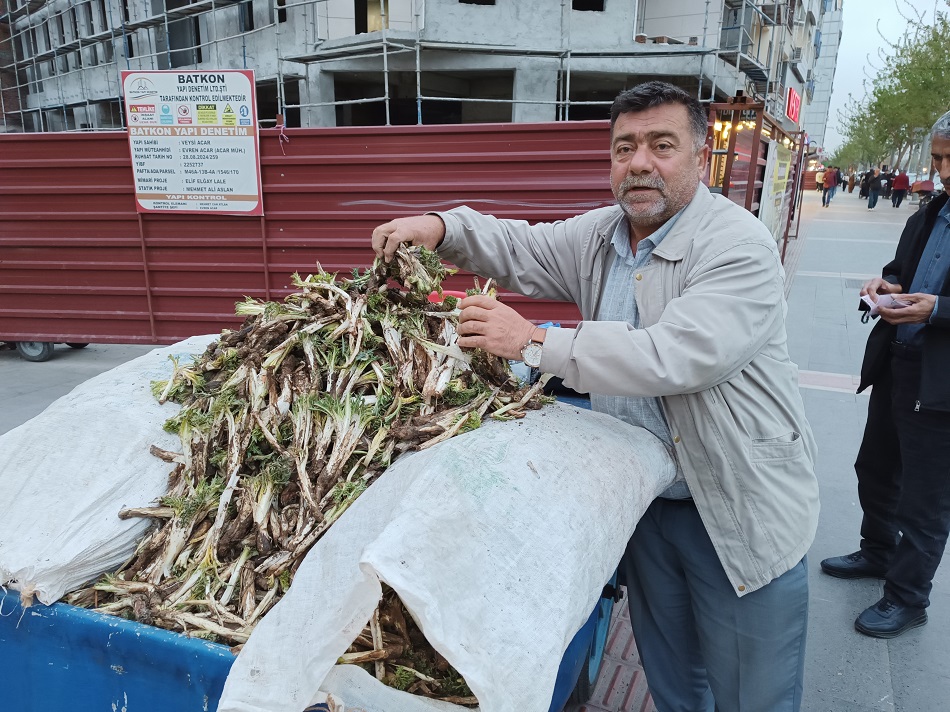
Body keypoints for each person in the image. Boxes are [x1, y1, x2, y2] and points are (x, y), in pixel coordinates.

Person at [373, 81, 819, 712]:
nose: (639, 163)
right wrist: (442, 227)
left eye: (662, 145)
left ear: (700, 158)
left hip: (735, 504)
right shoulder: (605, 235)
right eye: (624, 148)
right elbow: (522, 247)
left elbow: (676, 355)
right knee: (674, 681)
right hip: (647, 500)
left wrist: (534, 342)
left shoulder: (736, 245)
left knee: (755, 694)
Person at [820, 110, 950, 639]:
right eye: (937, 158)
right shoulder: (931, 212)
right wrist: (888, 285)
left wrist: (938, 310)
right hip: (898, 362)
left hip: (941, 384)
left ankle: (908, 598)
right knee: (875, 468)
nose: (942, 170)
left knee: (926, 500)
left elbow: (937, 299)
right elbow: (904, 270)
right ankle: (878, 551)